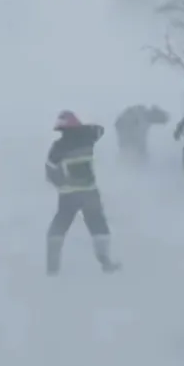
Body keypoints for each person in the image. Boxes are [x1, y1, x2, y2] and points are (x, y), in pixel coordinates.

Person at [45, 110, 120, 275]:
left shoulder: (58, 147)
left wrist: (60, 184)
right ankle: (105, 261)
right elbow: (99, 129)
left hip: (68, 195)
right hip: (89, 193)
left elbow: (49, 171)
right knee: (98, 227)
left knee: (58, 229)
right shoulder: (87, 140)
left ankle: (52, 268)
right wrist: (81, 128)